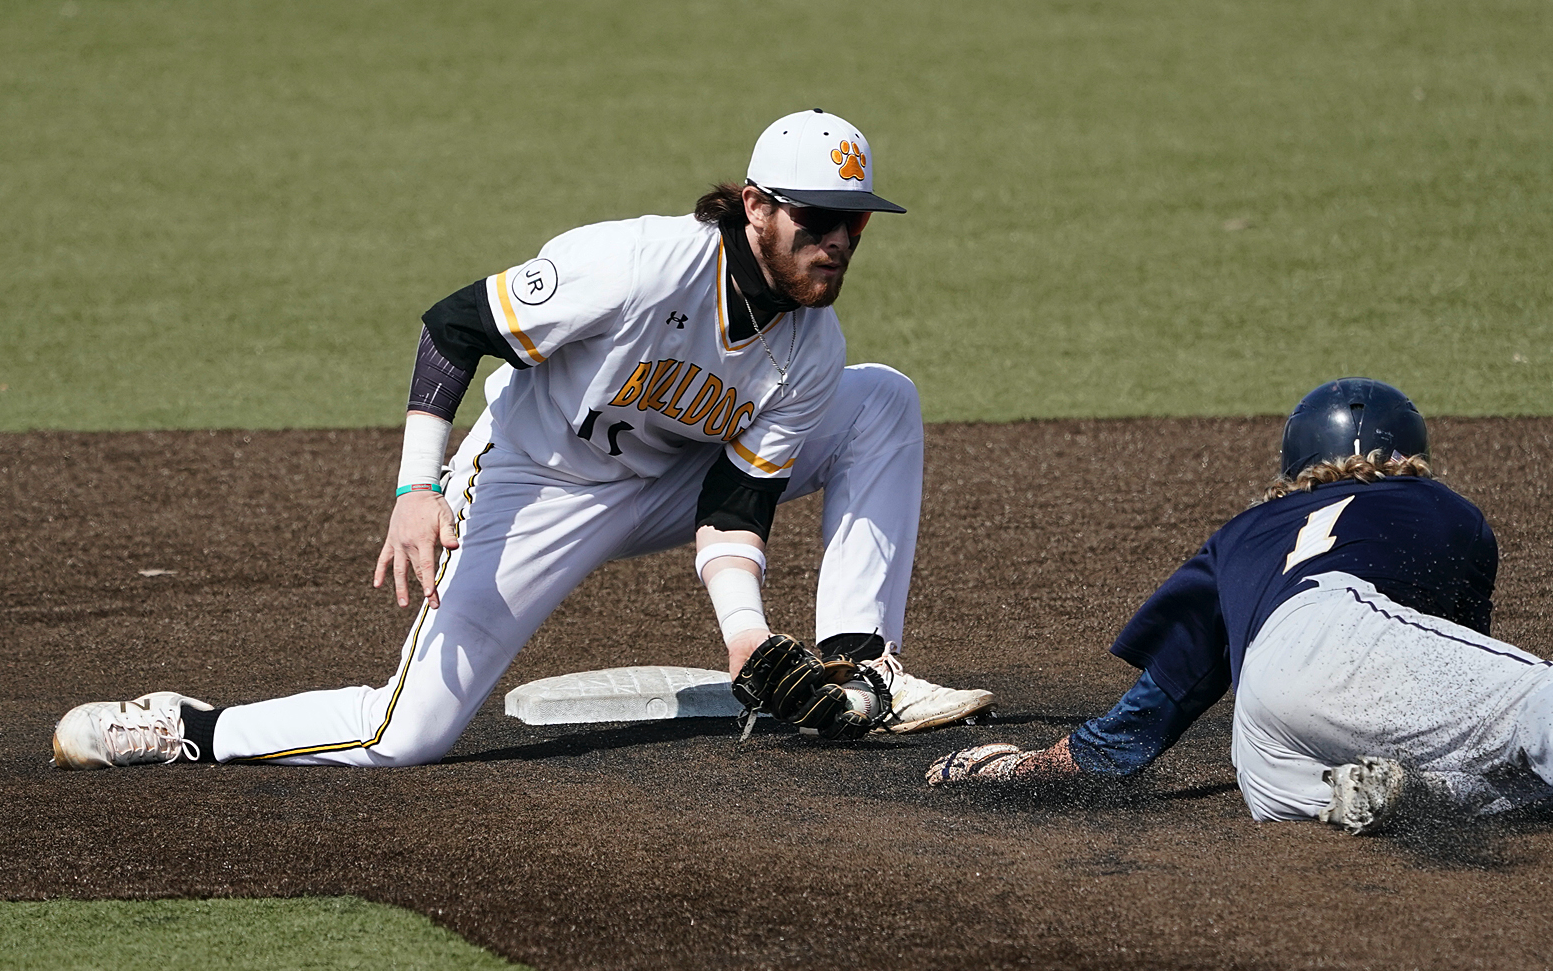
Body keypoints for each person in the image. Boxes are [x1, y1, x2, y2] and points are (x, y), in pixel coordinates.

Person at [52, 109, 993, 770]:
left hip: (666, 485)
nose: (836, 241)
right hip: (529, 482)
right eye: (815, 217)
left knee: (882, 400)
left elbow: (736, 501)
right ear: (754, 206)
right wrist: (416, 491)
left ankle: (859, 664)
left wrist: (745, 639)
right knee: (406, 734)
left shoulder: (811, 346)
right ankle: (191, 728)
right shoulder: (636, 264)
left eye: (854, 223)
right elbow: (452, 324)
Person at [925, 379, 1553, 832]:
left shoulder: (1242, 532)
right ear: (1408, 456)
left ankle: (1355, 795)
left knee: (1373, 784)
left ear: (1296, 461)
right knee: (1537, 705)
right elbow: (1446, 667)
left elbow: (1149, 716)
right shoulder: (1443, 508)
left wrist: (1027, 769)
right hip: (1341, 632)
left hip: (1263, 731)